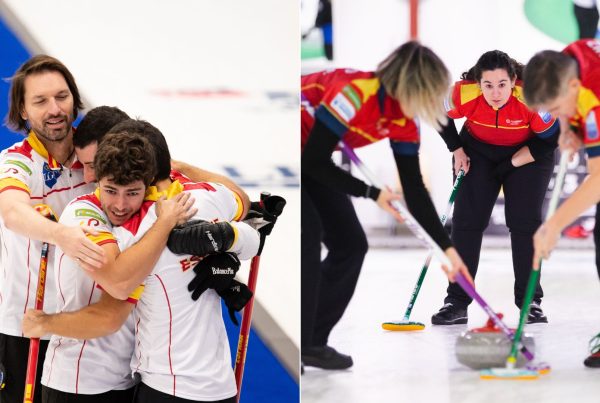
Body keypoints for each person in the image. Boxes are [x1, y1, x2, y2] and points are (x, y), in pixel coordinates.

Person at [23, 120, 259, 402]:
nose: (120, 204)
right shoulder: (90, 214)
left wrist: (227, 245)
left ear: (145, 177)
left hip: (143, 381)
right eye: (110, 189)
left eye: (132, 192)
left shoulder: (142, 228)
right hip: (83, 380)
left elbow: (243, 211)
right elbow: (241, 200)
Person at [300, 41, 472, 370]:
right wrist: (372, 192)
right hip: (297, 153)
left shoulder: (405, 119)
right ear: (410, 87)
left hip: (314, 159)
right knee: (309, 237)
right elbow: (313, 162)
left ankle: (312, 343)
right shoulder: (353, 95)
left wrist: (447, 251)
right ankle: (301, 338)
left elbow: (415, 190)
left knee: (350, 245)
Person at [0, 55, 106, 403]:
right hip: (27, 324)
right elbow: (12, 211)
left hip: (88, 324)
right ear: (23, 110)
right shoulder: (16, 160)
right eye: (40, 101)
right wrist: (63, 235)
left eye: (61, 96)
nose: (55, 108)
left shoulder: (99, 154)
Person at [431, 50, 560, 326]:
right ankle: (456, 301)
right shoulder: (464, 93)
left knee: (525, 224)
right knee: (466, 222)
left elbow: (549, 140)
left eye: (502, 84)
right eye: (488, 85)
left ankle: (530, 301)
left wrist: (511, 163)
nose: (495, 93)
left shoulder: (532, 97)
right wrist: (456, 149)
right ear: (478, 83)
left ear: (513, 80)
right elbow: (436, 110)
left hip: (528, 154)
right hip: (477, 150)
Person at [524, 38, 600, 368]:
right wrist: (566, 128)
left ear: (573, 86)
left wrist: (552, 225)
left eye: (556, 110)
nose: (555, 115)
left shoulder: (594, 99)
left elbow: (598, 179)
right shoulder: (567, 58)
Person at [72, 105, 250, 218]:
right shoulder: (182, 181)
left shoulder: (131, 216)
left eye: (93, 165)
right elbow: (241, 198)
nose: (87, 177)